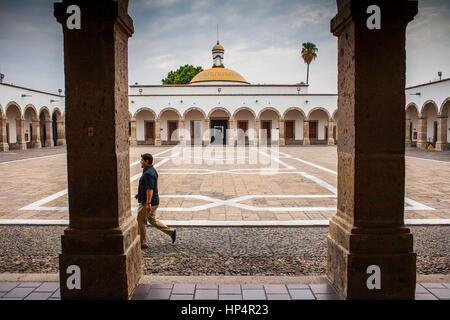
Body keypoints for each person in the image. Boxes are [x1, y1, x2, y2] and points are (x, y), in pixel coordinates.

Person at [135, 153, 176, 248]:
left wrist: (148, 203)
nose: (140, 162)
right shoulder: (150, 170)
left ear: (146, 161)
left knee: (141, 221)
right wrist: (139, 194)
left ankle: (142, 243)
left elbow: (150, 189)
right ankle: (171, 232)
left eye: (141, 160)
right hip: (153, 201)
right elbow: (147, 187)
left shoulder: (148, 173)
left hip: (149, 202)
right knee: (152, 220)